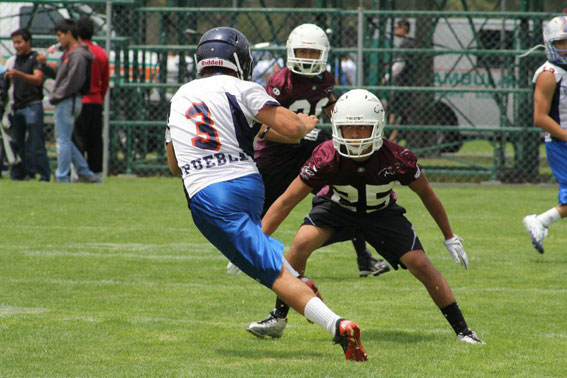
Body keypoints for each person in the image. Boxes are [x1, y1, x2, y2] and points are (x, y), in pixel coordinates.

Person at [166, 26, 368, 362]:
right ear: (239, 59)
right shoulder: (244, 87)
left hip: (209, 194)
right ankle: (300, 279)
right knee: (261, 258)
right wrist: (305, 123)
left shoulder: (180, 96)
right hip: (248, 182)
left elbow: (174, 165)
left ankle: (338, 325)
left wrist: (299, 124)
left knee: (269, 271)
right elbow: (288, 130)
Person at [249, 89, 484, 344]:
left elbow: (427, 195)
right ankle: (278, 317)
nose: (355, 135)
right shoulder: (326, 156)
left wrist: (448, 236)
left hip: (381, 213)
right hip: (337, 209)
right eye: (348, 129)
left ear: (377, 127)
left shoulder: (398, 158)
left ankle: (463, 330)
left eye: (362, 128)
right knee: (301, 243)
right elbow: (286, 201)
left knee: (421, 264)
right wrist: (256, 239)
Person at [253, 23, 388, 279]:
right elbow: (264, 131)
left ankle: (365, 259)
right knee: (265, 210)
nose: (308, 58)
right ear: (292, 51)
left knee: (346, 195)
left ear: (324, 54)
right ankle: (248, 254)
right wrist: (299, 134)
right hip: (276, 156)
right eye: (303, 51)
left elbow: (329, 105)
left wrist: (345, 115)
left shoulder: (325, 79)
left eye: (313, 53)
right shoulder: (282, 81)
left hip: (310, 151)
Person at [523, 16, 567, 254]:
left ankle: (541, 221)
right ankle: (539, 221)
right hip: (560, 144)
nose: (566, 48)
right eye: (561, 42)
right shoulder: (549, 74)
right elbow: (540, 117)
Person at [37, 18, 98, 183]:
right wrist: (44, 65)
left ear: (69, 34)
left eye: (60, 35)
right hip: (67, 100)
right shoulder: (68, 54)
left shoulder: (78, 55)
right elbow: (57, 73)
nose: (58, 40)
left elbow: (73, 81)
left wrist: (56, 96)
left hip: (68, 100)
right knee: (66, 138)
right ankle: (85, 172)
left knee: (62, 140)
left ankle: (62, 176)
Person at [4, 28, 50, 181]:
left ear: (28, 42)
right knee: (17, 143)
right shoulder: (13, 61)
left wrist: (18, 74)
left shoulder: (35, 59)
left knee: (36, 142)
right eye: (14, 43)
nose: (16, 46)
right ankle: (20, 174)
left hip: (33, 105)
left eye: (19, 42)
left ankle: (43, 174)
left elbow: (38, 79)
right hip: (17, 106)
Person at [72, 16, 109, 181]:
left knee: (78, 138)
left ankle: (80, 172)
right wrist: (100, 96)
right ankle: (96, 172)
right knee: (95, 139)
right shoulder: (101, 53)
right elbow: (105, 80)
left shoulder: (76, 52)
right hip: (96, 101)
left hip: (80, 100)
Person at [386, 18, 418, 142]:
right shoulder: (407, 43)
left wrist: (387, 77)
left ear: (404, 29)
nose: (395, 30)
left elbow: (400, 65)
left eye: (397, 28)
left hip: (402, 84)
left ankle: (392, 139)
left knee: (395, 113)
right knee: (402, 114)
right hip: (405, 84)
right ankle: (394, 138)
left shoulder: (406, 44)